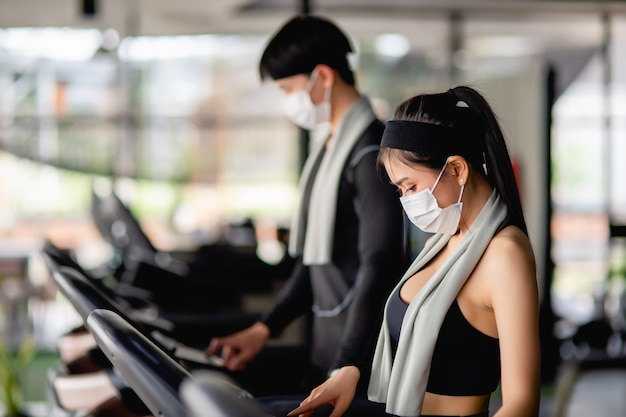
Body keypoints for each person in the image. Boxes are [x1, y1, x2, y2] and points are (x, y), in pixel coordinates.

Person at [287, 86, 541, 417]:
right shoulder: (445, 242)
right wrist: (356, 373)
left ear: (456, 170)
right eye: (400, 190)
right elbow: (424, 360)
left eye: (411, 186)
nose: (407, 200)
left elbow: (522, 403)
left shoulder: (504, 255)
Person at [205, 14, 407, 394]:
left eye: (288, 89)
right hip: (325, 351)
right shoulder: (328, 150)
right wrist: (263, 329)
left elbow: (380, 266)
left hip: (361, 364)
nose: (287, 101)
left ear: (323, 77)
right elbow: (313, 266)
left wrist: (348, 363)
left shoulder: (370, 153)